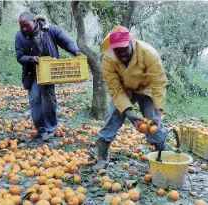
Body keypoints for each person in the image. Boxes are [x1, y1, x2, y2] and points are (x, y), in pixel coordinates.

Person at [92, 26, 169, 171]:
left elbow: (159, 83)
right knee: (112, 116)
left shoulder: (148, 53)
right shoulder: (108, 60)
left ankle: (163, 157)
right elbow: (115, 88)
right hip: (124, 90)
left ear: (131, 43)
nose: (122, 54)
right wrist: (128, 114)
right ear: (112, 50)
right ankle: (102, 158)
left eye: (124, 49)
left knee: (153, 121)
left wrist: (158, 114)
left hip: (145, 88)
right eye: (117, 51)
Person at [15, 12, 82, 142]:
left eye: (26, 25)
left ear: (34, 22)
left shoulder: (50, 30)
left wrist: (76, 51)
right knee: (35, 101)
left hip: (49, 71)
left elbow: (66, 42)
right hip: (32, 73)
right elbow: (19, 57)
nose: (23, 29)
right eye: (21, 26)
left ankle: (51, 128)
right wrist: (30, 59)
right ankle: (41, 129)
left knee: (48, 100)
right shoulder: (20, 36)